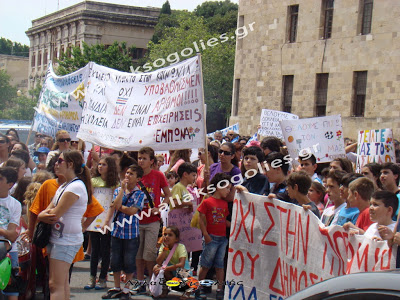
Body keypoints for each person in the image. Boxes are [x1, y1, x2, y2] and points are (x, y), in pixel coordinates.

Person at [37, 150, 92, 300]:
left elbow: (54, 214)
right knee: (61, 284)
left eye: (59, 161)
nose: (56, 164)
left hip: (66, 240)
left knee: (55, 285)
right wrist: (43, 214)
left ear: (70, 164)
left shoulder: (75, 187)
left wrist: (42, 215)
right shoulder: (65, 186)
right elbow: (49, 208)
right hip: (59, 238)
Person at [101, 164, 145, 300]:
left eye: (131, 174)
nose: (127, 176)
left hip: (131, 233)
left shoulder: (140, 193)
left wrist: (120, 206)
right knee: (115, 260)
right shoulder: (118, 190)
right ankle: (116, 287)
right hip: (117, 231)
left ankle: (126, 289)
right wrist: (121, 192)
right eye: (127, 173)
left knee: (129, 262)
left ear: (138, 178)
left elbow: (132, 211)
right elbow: (114, 205)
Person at [135, 147, 172, 294]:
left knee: (149, 253)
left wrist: (160, 207)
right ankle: (139, 282)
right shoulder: (135, 176)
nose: (141, 161)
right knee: (138, 254)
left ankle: (152, 282)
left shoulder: (158, 175)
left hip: (152, 221)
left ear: (151, 161)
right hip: (137, 220)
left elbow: (168, 195)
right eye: (139, 158)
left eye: (144, 158)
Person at [85, 156, 119, 290]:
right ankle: (92, 277)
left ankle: (103, 277)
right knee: (94, 250)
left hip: (108, 218)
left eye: (103, 164)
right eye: (99, 164)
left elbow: (114, 201)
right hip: (95, 218)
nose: (100, 166)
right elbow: (90, 200)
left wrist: (108, 219)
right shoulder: (93, 181)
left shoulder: (115, 183)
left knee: (105, 249)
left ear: (110, 167)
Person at [196, 173, 231, 300]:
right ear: (218, 186)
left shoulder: (225, 204)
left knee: (220, 266)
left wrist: (235, 226)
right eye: (227, 188)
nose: (228, 191)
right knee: (205, 265)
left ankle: (220, 290)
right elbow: (201, 219)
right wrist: (205, 235)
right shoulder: (207, 202)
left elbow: (223, 220)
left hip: (222, 239)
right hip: (211, 238)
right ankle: (199, 288)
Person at [0, 167, 21, 300]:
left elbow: (13, 235)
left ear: (10, 184)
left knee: (11, 292)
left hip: (9, 251)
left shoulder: (15, 204)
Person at [153, 226, 189, 299]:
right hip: (172, 271)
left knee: (184, 273)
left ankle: (187, 291)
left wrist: (165, 268)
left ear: (176, 239)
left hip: (182, 272)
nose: (167, 237)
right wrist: (165, 250)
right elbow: (158, 261)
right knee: (156, 268)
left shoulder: (181, 247)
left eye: (170, 235)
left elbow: (181, 264)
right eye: (165, 234)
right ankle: (165, 288)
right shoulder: (164, 247)